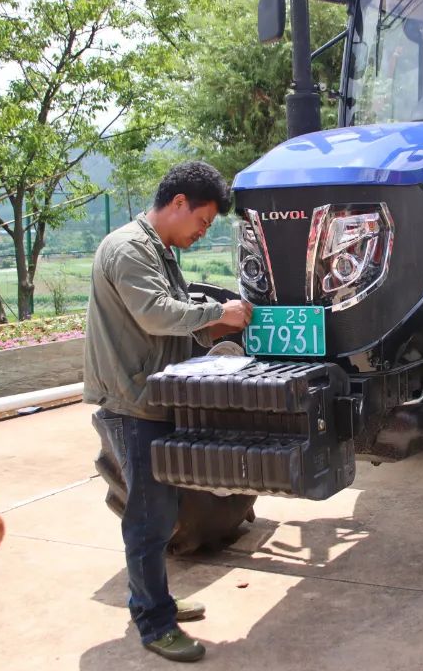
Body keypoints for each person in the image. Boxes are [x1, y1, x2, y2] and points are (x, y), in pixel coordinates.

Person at [83, 161, 253, 663]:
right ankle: (154, 622)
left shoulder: (157, 250)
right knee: (149, 517)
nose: (202, 232)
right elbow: (155, 314)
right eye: (202, 221)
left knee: (165, 510)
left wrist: (212, 327)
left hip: (154, 397)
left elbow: (170, 318)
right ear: (179, 203)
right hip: (133, 404)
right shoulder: (129, 249)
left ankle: (156, 598)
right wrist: (219, 313)